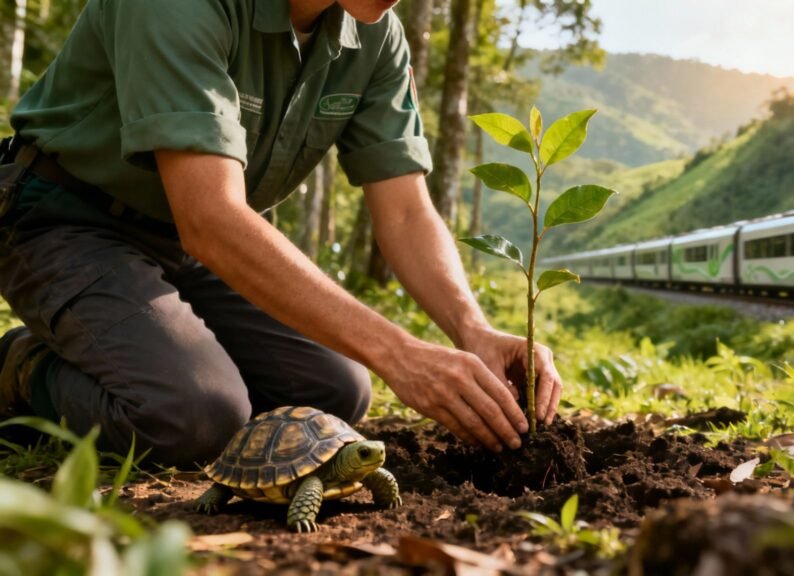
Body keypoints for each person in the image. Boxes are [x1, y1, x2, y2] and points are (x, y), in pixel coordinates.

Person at [0, 0, 562, 467]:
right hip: (66, 217)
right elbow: (211, 218)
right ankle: (19, 372)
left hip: (194, 246)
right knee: (194, 416)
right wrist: (399, 351)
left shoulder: (374, 36)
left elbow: (406, 211)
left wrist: (474, 330)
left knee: (337, 392)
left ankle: (160, 355)